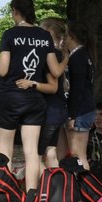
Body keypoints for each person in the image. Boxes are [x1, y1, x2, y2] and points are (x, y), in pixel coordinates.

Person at [0, 0, 62, 195]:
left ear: (15, 11)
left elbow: (3, 70)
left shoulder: (10, 34)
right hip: (34, 99)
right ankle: (32, 195)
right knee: (32, 152)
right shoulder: (44, 36)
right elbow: (55, 70)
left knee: (4, 150)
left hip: (10, 97)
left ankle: (3, 194)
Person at [36, 17, 70, 168]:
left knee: (38, 153)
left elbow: (53, 85)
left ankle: (42, 187)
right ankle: (54, 186)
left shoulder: (51, 55)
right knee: (50, 151)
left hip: (49, 111)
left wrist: (32, 84)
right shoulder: (60, 54)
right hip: (57, 110)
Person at [62, 24, 96, 168]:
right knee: (80, 154)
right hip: (86, 108)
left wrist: (72, 116)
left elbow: (77, 89)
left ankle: (85, 187)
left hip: (80, 111)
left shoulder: (77, 57)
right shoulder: (84, 54)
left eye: (65, 34)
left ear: (72, 36)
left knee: (78, 154)